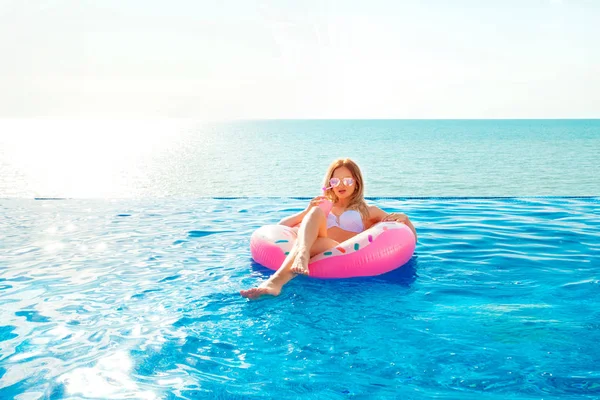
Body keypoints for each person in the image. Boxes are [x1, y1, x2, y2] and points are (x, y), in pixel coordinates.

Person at [240, 158, 417, 299]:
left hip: (338, 252)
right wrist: (306, 212)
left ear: (356, 182)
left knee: (322, 241)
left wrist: (406, 220)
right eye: (336, 180)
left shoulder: (369, 211)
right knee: (319, 209)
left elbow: (408, 238)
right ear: (329, 182)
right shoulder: (324, 206)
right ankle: (291, 265)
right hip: (310, 247)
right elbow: (280, 228)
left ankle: (277, 279)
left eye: (347, 180)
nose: (341, 185)